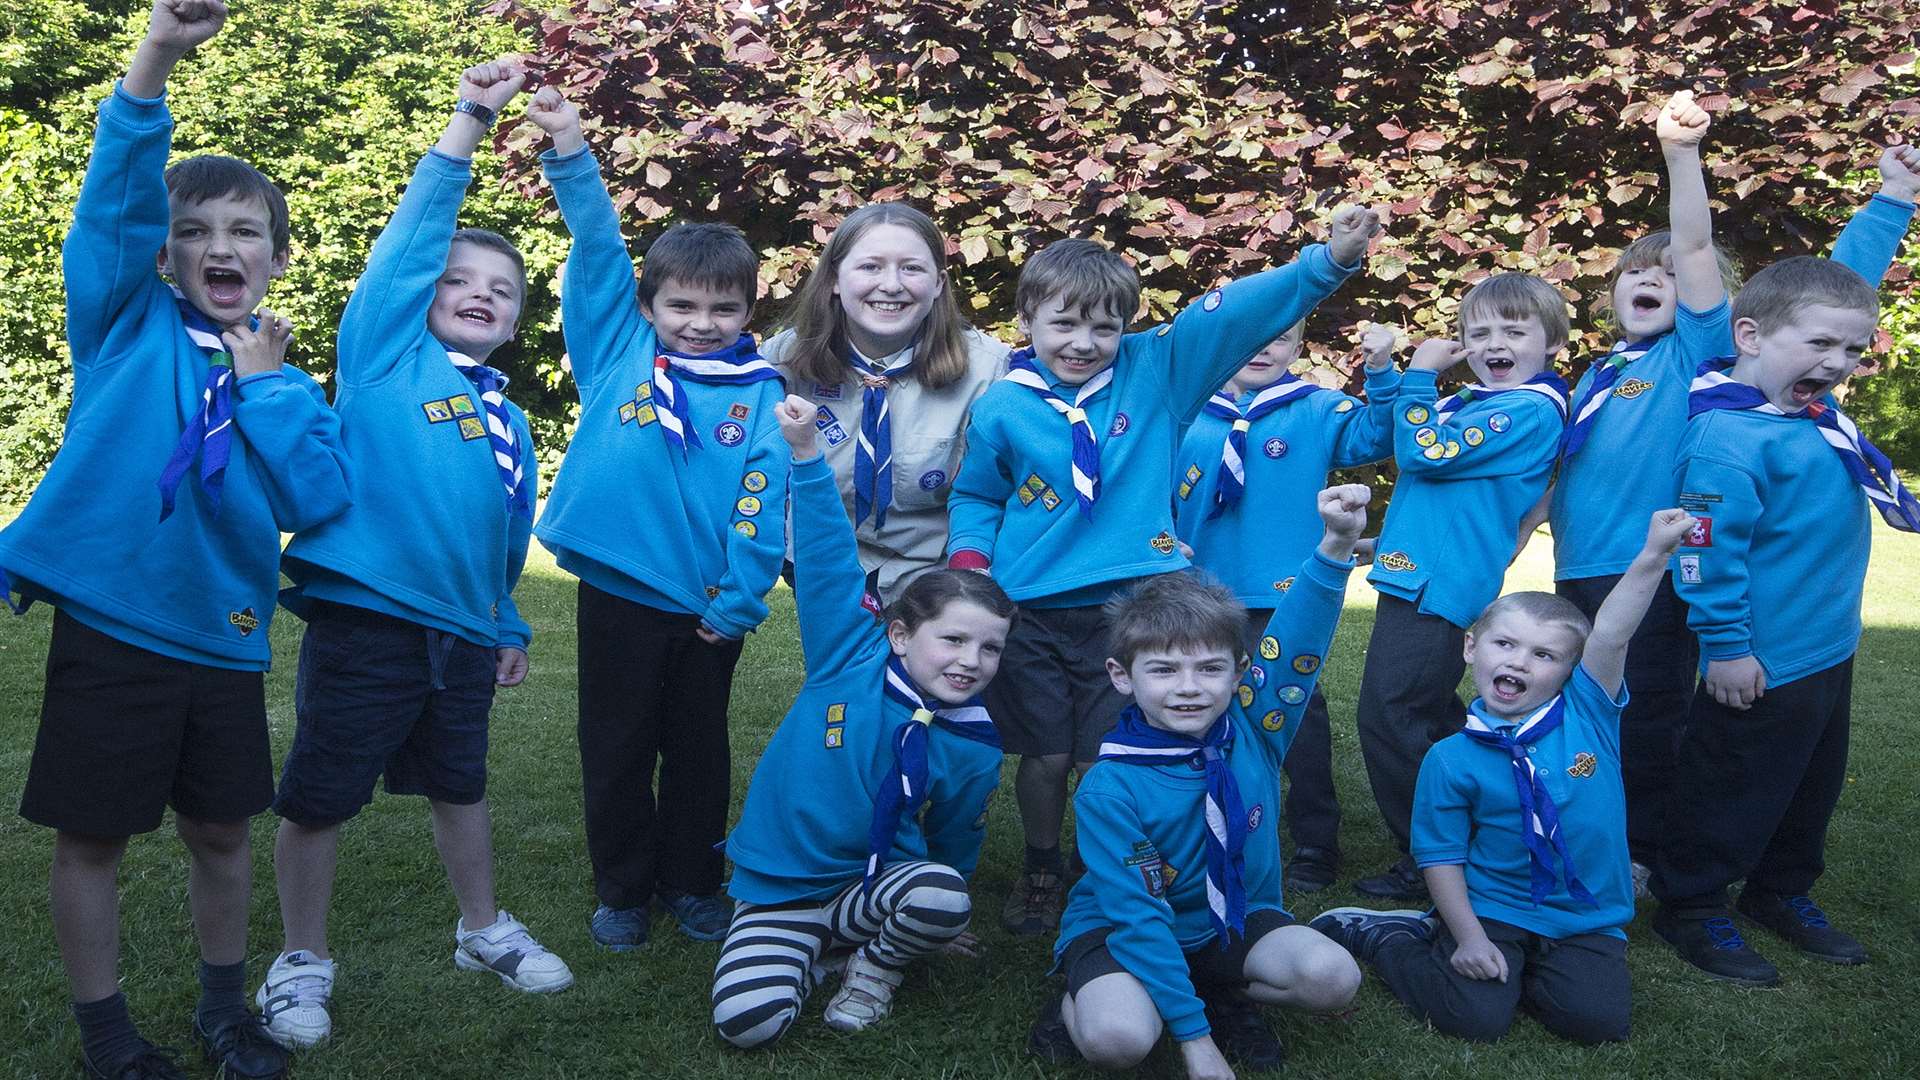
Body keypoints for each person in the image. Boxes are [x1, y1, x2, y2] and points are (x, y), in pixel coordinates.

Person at [0, 3, 352, 1076]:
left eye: (244, 230)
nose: (218, 246)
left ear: (279, 259)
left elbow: (321, 497)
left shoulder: (288, 383)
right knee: (95, 838)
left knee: (220, 834)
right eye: (194, 231)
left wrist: (264, 390)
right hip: (116, 625)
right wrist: (154, 56)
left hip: (225, 636)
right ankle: (108, 1034)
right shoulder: (122, 323)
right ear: (161, 254)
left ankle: (218, 1009)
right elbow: (115, 194)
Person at [946, 207, 1380, 937]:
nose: (1084, 343)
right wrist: (973, 563)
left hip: (1131, 606)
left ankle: (1105, 862)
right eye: (1064, 325)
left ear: (1127, 327)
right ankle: (1043, 864)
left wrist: (1324, 261)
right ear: (1026, 318)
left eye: (1105, 328)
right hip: (1029, 606)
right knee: (1046, 756)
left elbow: (1231, 310)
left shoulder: (1157, 373)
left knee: (1109, 753)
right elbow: (978, 493)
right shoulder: (1002, 407)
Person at [256, 59, 569, 1051]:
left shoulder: (510, 419)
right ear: (421, 298)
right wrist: (473, 118)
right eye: (459, 281)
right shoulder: (388, 354)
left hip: (461, 637)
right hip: (369, 625)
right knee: (320, 796)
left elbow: (503, 533)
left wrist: (507, 619)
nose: (480, 293)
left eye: (502, 289)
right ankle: (300, 956)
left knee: (462, 786)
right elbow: (408, 246)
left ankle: (481, 930)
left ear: (519, 318)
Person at [1545, 92, 1918, 895]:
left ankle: (1647, 853)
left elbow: (1827, 287)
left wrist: (1889, 202)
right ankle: (1583, 824)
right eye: (1635, 274)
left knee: (1648, 719)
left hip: (1650, 571)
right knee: (1582, 704)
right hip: (1580, 569)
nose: (1654, 278)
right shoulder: (1602, 375)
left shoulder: (1699, 356)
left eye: (1670, 277)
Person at [529, 86, 791, 948]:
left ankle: (691, 882)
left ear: (750, 312)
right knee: (615, 744)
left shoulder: (762, 395)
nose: (702, 324)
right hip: (621, 590)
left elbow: (763, 506)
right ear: (649, 307)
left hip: (710, 607)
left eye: (724, 309)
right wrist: (568, 145)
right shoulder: (618, 351)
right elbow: (599, 248)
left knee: (698, 752)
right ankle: (622, 890)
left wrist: (738, 601)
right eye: (682, 306)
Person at [1313, 509, 1699, 1045]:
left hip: (1583, 915)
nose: (1519, 662)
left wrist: (1654, 554)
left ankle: (1530, 969)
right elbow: (1441, 856)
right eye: (1505, 645)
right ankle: (1390, 938)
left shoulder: (1589, 714)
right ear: (1471, 647)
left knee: (1597, 1023)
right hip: (1492, 905)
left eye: (1544, 655)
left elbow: (1611, 633)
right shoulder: (1450, 759)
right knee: (1475, 1018)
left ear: (1571, 670)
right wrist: (1468, 937)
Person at [1030, 486, 1372, 1078]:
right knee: (1119, 1040)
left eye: (1210, 668)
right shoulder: (1110, 785)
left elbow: (1297, 644)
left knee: (1333, 978)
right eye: (1162, 670)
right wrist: (1196, 1043)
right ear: (1121, 675)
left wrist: (1336, 544)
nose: (1189, 687)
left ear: (1239, 672)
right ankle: (1080, 1001)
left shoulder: (1252, 730)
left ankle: (1214, 991)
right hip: (1121, 931)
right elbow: (1137, 914)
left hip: (1231, 921)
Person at [711, 394, 1017, 1046]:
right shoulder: (850, 655)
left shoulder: (976, 736)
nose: (972, 661)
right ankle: (804, 955)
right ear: (902, 636)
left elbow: (959, 831)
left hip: (873, 889)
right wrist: (806, 457)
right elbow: (825, 558)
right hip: (781, 890)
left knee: (942, 894)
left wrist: (949, 915)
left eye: (990, 648)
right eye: (954, 640)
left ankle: (873, 967)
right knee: (748, 1024)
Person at [1653, 256, 1919, 984]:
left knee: (1810, 784)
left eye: (1854, 350)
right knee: (1730, 781)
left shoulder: (1815, 420)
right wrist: (1729, 649)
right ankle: (1692, 901)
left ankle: (1780, 890)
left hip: (1826, 645)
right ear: (1751, 334)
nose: (1838, 363)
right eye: (1820, 344)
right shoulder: (1728, 439)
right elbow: (1704, 556)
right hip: (1761, 657)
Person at [1349, 274, 1571, 901]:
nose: (1492, 343)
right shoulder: (1482, 404)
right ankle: (1483, 831)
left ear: (1553, 342)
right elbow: (1418, 454)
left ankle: (1432, 858)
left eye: (1513, 331)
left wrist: (1421, 373)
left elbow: (1425, 455)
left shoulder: (1527, 410)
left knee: (1392, 715)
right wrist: (1387, 370)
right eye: (1479, 333)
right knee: (1437, 719)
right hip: (1420, 573)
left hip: (1441, 587)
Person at [1174, 321, 1401, 892]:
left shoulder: (1318, 409)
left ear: (1297, 349)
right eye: (1250, 336)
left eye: (1277, 338)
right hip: (1196, 587)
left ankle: (1314, 840)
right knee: (1192, 707)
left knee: (1297, 714)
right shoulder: (1182, 413)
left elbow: (1379, 434)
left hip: (1285, 595)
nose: (1260, 346)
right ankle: (1190, 826)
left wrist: (1381, 371)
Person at [764, 201, 1010, 603]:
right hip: (820, 557)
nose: (892, 285)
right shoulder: (784, 361)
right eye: (870, 267)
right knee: (840, 667)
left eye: (912, 268)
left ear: (938, 284)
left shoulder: (988, 371)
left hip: (935, 565)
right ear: (835, 280)